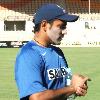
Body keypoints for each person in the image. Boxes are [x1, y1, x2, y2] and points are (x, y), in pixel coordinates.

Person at [15, 4, 90, 100]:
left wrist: (76, 83)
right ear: (44, 25)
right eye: (61, 27)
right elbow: (37, 98)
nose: (64, 31)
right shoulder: (28, 54)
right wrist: (72, 88)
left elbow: (66, 84)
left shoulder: (58, 52)